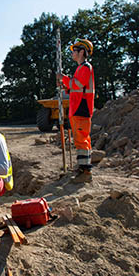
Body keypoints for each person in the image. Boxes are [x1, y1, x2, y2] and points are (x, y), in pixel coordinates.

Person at [56, 38, 95, 183]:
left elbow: (77, 84)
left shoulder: (85, 67)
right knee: (81, 139)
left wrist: (63, 78)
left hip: (81, 107)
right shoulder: (80, 68)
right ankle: (83, 167)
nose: (72, 53)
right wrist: (65, 84)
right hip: (77, 107)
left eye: (75, 51)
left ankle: (85, 172)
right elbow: (75, 87)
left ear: (82, 52)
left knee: (81, 140)